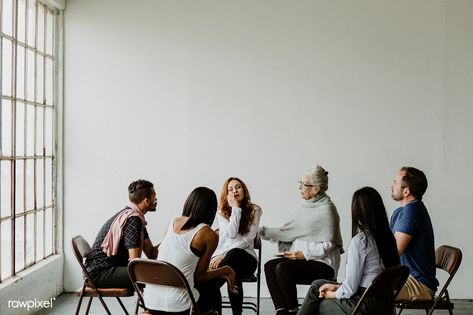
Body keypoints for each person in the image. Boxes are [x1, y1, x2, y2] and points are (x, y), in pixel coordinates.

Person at [298, 187, 400, 315]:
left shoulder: (361, 241)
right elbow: (361, 281)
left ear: (358, 212)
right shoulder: (388, 238)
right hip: (384, 303)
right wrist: (338, 287)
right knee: (317, 285)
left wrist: (333, 294)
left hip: (364, 306)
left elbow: (350, 289)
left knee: (319, 301)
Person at [260, 164, 343, 315]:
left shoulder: (328, 209)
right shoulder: (303, 206)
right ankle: (282, 312)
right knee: (270, 266)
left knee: (283, 268)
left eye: (303, 184)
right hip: (301, 260)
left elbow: (329, 244)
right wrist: (262, 232)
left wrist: (303, 254)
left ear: (316, 188)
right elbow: (288, 232)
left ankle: (293, 311)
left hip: (323, 264)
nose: (300, 188)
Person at [143, 187, 237, 315]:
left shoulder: (173, 222)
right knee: (211, 288)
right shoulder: (208, 234)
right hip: (179, 305)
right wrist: (227, 270)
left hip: (150, 301)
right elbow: (200, 276)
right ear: (211, 210)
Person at [85, 179, 159, 289]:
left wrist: (171, 239)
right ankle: (149, 306)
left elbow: (151, 253)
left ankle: (150, 305)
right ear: (146, 201)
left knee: (158, 273)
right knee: (157, 275)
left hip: (106, 269)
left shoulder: (135, 217)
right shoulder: (133, 219)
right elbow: (134, 262)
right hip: (99, 273)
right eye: (154, 196)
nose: (156, 199)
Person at [209, 177, 263, 315]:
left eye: (238, 187)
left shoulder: (255, 210)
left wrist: (223, 255)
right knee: (233, 271)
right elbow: (231, 234)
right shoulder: (221, 211)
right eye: (230, 189)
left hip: (246, 259)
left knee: (234, 255)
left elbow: (247, 239)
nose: (235, 191)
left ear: (244, 189)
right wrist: (235, 210)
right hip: (228, 261)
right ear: (226, 194)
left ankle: (210, 288)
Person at [390, 167, 439, 301]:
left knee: (370, 291)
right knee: (365, 285)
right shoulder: (400, 212)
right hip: (406, 277)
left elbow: (392, 254)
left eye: (395, 183)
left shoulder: (412, 212)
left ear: (406, 191)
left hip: (420, 284)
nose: (391, 185)